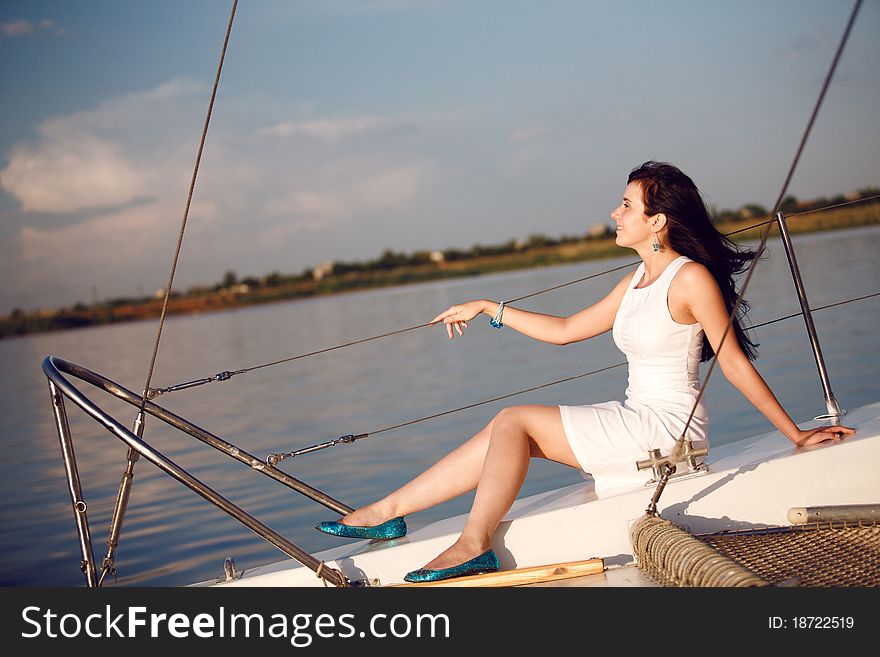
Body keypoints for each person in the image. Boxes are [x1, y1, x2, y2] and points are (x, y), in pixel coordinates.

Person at [315, 161, 856, 583]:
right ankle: (386, 512)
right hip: (636, 417)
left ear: (657, 220)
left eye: (626, 205)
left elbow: (733, 362)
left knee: (514, 421)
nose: (614, 213)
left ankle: (474, 543)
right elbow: (567, 329)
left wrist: (796, 435)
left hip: (668, 432)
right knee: (505, 430)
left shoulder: (690, 280)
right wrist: (487, 307)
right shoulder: (638, 279)